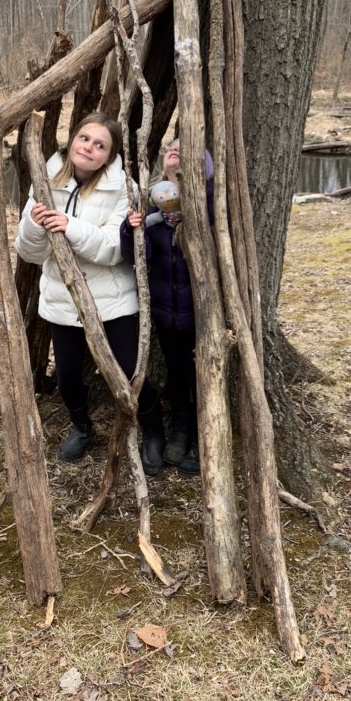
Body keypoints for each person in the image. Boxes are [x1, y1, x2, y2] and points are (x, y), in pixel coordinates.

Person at [15, 114, 166, 474]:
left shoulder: (124, 189)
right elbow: (29, 253)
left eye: (101, 145)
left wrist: (70, 227)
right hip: (63, 301)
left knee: (131, 372)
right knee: (67, 375)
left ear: (110, 156)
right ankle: (82, 427)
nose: (90, 148)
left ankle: (154, 432)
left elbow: (116, 250)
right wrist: (37, 225)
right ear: (72, 140)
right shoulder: (46, 180)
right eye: (85, 139)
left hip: (111, 301)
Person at [120, 138, 212, 477]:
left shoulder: (211, 199)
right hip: (167, 311)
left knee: (206, 371)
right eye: (170, 147)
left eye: (184, 146)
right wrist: (133, 229)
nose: (175, 148)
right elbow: (135, 257)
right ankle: (182, 426)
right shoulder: (152, 199)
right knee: (176, 372)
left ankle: (206, 431)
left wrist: (194, 219)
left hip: (204, 310)